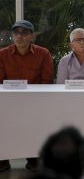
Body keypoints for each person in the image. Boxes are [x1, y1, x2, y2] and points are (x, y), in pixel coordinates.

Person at [0, 20, 54, 172]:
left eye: (24, 33)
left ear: (32, 36)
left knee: (36, 121)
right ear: (12, 36)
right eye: (16, 33)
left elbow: (47, 80)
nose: (19, 36)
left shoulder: (43, 53)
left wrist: (35, 101)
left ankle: (34, 158)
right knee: (3, 121)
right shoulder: (2, 54)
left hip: (35, 100)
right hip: (8, 101)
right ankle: (3, 158)